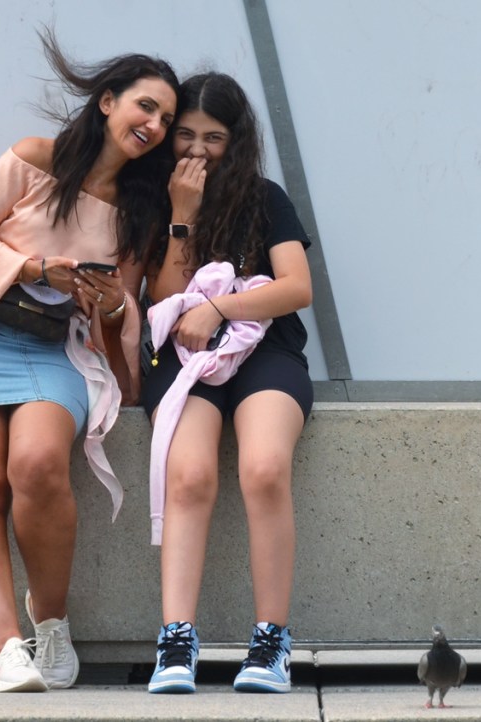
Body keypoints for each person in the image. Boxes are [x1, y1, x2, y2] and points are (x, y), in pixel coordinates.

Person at [0, 32, 178, 693]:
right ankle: (6, 653)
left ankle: (48, 621)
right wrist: (35, 268)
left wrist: (113, 305)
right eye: (146, 107)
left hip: (55, 351)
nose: (155, 125)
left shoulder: (141, 213)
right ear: (107, 101)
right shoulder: (33, 159)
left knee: (34, 464)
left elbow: (127, 315)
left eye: (166, 119)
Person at [142, 72, 313, 694]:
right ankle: (176, 639)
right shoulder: (153, 198)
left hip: (265, 352)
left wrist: (221, 308)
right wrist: (182, 216)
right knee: (189, 475)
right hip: (185, 358)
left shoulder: (265, 198)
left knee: (264, 467)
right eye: (184, 134)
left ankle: (271, 641)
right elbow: (161, 301)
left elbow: (297, 288)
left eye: (212, 137)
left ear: (235, 140)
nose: (195, 150)